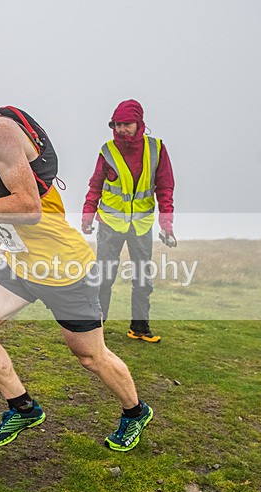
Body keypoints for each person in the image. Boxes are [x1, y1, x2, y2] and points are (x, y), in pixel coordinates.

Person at [0, 50, 153, 452]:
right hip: (17, 263)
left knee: (90, 356)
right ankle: (23, 407)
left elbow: (28, 208)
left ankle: (135, 411)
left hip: (61, 268)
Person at [81, 100, 176, 343]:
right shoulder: (108, 151)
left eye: (127, 124)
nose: (121, 129)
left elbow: (165, 188)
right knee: (104, 276)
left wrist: (167, 226)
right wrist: (87, 216)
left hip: (142, 225)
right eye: (118, 124)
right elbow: (95, 185)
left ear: (139, 123)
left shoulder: (156, 149)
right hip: (110, 225)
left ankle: (140, 328)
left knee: (143, 278)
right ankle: (96, 326)